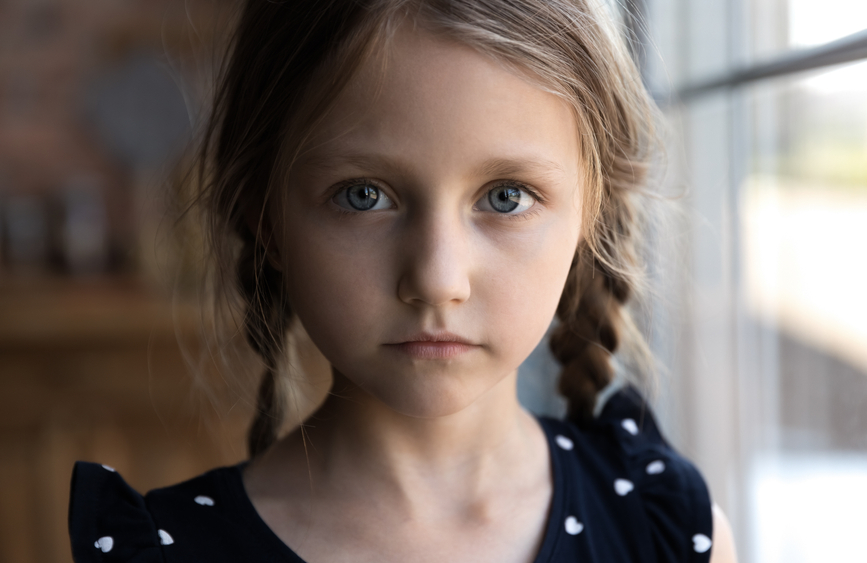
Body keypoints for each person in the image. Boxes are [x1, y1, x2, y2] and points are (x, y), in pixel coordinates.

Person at [68, 1, 737, 561]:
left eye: (505, 197)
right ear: (264, 215)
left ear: (591, 211)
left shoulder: (669, 529)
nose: (437, 279)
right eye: (364, 195)